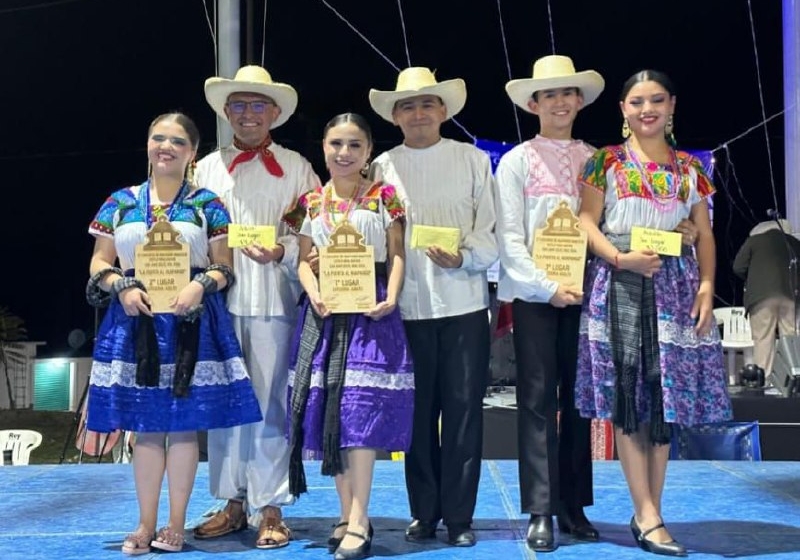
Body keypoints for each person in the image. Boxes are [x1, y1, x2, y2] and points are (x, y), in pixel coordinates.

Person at [85, 112, 262, 555]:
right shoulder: (119, 202)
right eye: (158, 138)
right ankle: (144, 524)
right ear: (147, 145)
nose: (166, 146)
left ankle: (176, 525)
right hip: (134, 321)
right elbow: (99, 263)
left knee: (183, 429)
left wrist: (200, 284)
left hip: (191, 323)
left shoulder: (208, 203)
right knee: (144, 428)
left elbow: (226, 266)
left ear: (192, 152)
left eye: (177, 141)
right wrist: (120, 286)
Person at [576, 69, 732, 557]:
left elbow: (704, 233)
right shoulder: (606, 162)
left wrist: (707, 285)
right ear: (623, 110)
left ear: (672, 106)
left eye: (657, 100)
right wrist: (620, 258)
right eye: (637, 101)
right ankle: (646, 511)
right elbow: (585, 220)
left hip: (674, 286)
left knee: (664, 400)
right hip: (620, 281)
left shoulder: (691, 167)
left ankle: (651, 510)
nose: (647, 109)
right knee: (629, 397)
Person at [368, 67, 498, 547]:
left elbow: (491, 229)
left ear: (443, 110)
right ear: (395, 116)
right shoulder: (380, 167)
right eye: (407, 106)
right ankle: (424, 513)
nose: (418, 113)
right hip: (405, 311)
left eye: (427, 104)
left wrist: (465, 257)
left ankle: (460, 519)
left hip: (464, 305)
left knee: (464, 414)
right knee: (416, 417)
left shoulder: (472, 160)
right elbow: (369, 236)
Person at [192, 65, 320, 549]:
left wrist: (282, 252)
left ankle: (271, 506)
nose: (249, 114)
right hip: (219, 304)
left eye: (258, 105)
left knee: (270, 404)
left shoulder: (297, 167)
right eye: (240, 105)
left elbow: (309, 236)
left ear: (275, 113)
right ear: (227, 113)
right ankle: (232, 501)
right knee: (225, 405)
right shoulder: (203, 169)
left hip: (274, 300)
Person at [282, 112, 414, 560]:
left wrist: (391, 296)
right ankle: (345, 513)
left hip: (372, 314)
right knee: (333, 411)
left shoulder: (385, 197)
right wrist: (314, 291)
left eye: (354, 145)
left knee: (360, 415)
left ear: (369, 151)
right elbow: (302, 260)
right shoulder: (308, 202)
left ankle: (360, 517)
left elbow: (397, 255)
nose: (344, 153)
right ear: (323, 147)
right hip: (324, 315)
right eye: (336, 143)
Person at [495, 54, 605, 552]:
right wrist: (546, 287)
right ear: (533, 103)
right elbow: (510, 239)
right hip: (538, 297)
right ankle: (541, 507)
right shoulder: (517, 161)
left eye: (568, 93)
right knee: (538, 400)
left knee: (579, 399)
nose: (559, 102)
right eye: (549, 95)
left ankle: (573, 503)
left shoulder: (599, 159)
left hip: (590, 293)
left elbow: (612, 225)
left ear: (579, 101)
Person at [733, 219, 800, 377]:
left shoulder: (754, 241)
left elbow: (738, 267)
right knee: (791, 338)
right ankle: (793, 378)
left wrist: (753, 278)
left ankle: (764, 379)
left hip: (761, 297)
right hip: (791, 297)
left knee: (763, 338)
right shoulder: (794, 242)